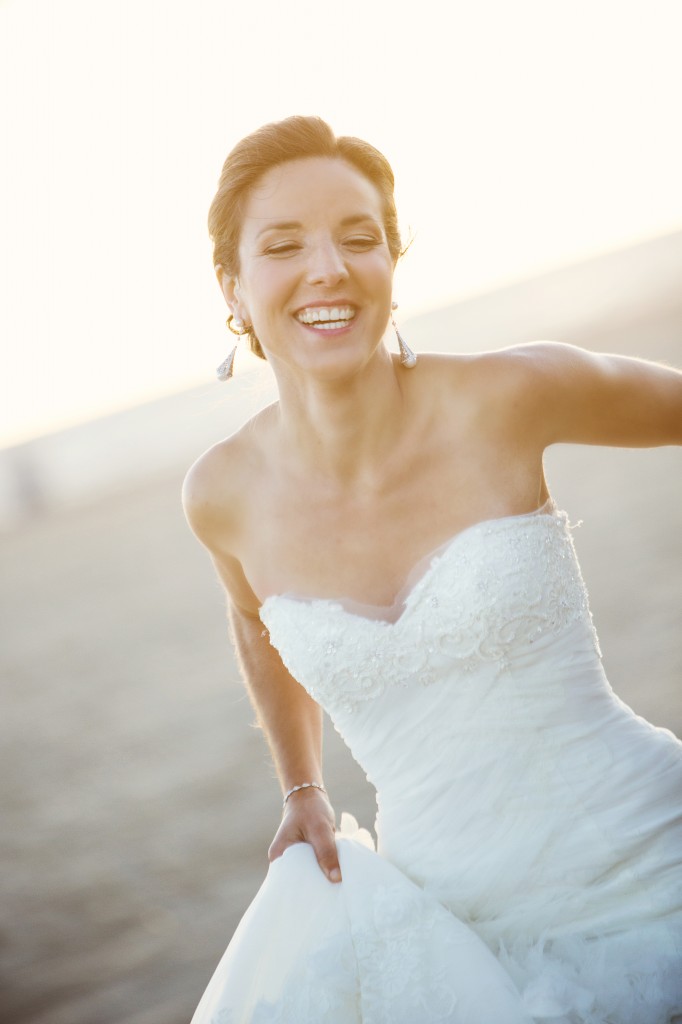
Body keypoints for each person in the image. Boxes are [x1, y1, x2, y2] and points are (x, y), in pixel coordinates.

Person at [182, 115, 682, 1023]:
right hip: (450, 935)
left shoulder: (508, 396)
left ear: (394, 263)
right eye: (284, 244)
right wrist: (303, 785)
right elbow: (256, 619)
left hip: (651, 868)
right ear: (234, 283)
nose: (328, 267)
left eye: (359, 237)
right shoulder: (221, 492)